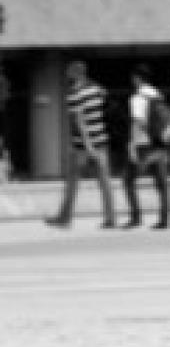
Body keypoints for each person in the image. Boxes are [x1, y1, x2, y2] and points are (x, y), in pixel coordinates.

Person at [45, 61, 117, 229]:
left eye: (69, 72)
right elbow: (105, 97)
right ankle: (111, 219)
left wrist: (88, 145)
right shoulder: (96, 89)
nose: (66, 75)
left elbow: (79, 122)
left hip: (82, 147)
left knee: (72, 182)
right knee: (105, 182)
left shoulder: (73, 94)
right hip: (101, 141)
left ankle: (65, 219)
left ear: (75, 74)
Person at [120, 64, 170, 230]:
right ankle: (164, 220)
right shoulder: (157, 95)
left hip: (143, 144)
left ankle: (136, 217)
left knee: (128, 180)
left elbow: (138, 122)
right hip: (159, 142)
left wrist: (132, 145)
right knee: (161, 183)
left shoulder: (137, 98)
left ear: (137, 78)